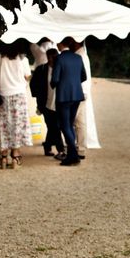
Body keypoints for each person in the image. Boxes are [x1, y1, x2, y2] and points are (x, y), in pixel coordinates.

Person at [0, 40, 33, 169]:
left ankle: (4, 157)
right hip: (19, 95)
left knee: (4, 126)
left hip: (4, 96)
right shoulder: (22, 59)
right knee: (17, 126)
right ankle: (15, 157)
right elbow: (27, 76)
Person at [51, 38, 86, 166]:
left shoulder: (59, 58)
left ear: (61, 43)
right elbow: (84, 76)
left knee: (64, 125)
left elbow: (55, 79)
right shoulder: (78, 57)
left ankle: (73, 156)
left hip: (63, 96)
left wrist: (54, 84)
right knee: (69, 124)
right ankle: (72, 155)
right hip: (77, 95)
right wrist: (74, 83)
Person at [30, 48, 65, 157]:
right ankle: (60, 149)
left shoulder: (61, 68)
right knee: (52, 126)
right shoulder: (41, 69)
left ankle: (50, 147)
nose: (52, 59)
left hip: (59, 102)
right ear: (47, 57)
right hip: (45, 103)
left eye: (54, 57)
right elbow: (33, 84)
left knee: (55, 126)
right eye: (50, 57)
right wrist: (37, 97)